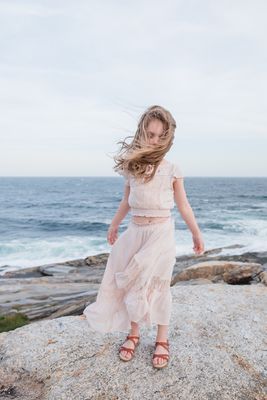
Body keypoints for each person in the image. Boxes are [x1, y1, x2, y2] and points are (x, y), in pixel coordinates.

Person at [82, 105, 204, 369]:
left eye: (161, 136)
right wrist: (114, 225)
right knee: (134, 283)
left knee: (159, 284)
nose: (155, 140)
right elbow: (126, 201)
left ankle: (162, 338)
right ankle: (134, 332)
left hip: (161, 233)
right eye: (150, 134)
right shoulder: (132, 167)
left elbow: (184, 205)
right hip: (136, 231)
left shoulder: (172, 169)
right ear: (141, 133)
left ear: (168, 138)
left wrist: (196, 233)